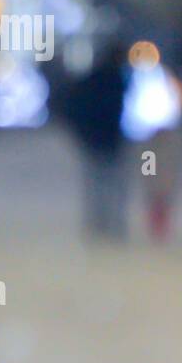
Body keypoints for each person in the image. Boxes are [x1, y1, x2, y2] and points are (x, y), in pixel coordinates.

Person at [60, 43, 130, 240]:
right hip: (107, 139)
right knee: (110, 183)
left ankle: (101, 223)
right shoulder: (115, 82)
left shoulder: (93, 81)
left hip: (98, 140)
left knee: (99, 183)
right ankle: (110, 224)